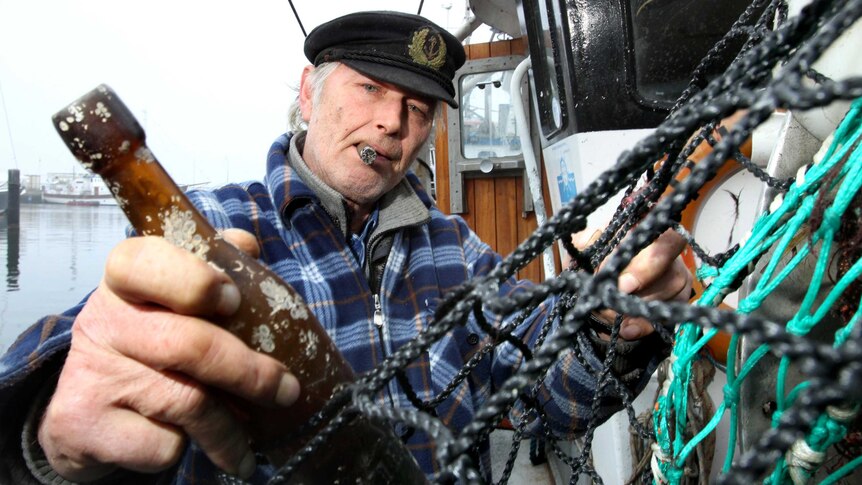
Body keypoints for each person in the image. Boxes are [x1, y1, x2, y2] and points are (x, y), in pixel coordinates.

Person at [0, 10, 692, 484]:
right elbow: (97, 346)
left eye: (418, 109)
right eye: (370, 89)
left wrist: (612, 326)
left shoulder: (459, 246)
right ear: (309, 93)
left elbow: (544, 400)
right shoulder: (210, 227)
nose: (392, 121)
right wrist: (47, 428)